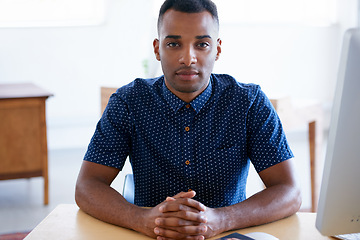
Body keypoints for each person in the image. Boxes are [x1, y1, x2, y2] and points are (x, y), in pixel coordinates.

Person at [75, 0, 302, 239]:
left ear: (218, 49)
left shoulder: (249, 102)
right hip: (151, 235)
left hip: (227, 234)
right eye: (173, 44)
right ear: (157, 49)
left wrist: (222, 219)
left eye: (202, 44)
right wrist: (140, 219)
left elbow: (289, 191)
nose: (188, 58)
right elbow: (87, 186)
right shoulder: (128, 102)